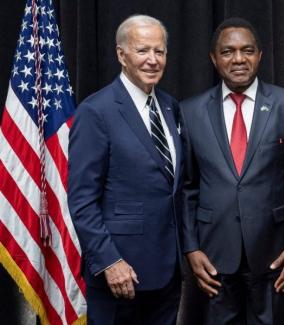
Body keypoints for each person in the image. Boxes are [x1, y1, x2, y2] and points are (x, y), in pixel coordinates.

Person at [180, 17, 284, 324]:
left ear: (260, 55)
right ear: (214, 58)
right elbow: (187, 188)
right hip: (214, 256)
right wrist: (190, 248)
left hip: (274, 254)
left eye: (247, 50)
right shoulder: (190, 112)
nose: (238, 59)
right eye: (228, 52)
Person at [68, 15, 182, 325]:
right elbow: (81, 200)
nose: (153, 60)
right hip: (120, 273)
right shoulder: (96, 111)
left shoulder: (170, 106)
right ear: (121, 55)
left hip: (168, 271)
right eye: (143, 50)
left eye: (160, 51)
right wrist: (109, 261)